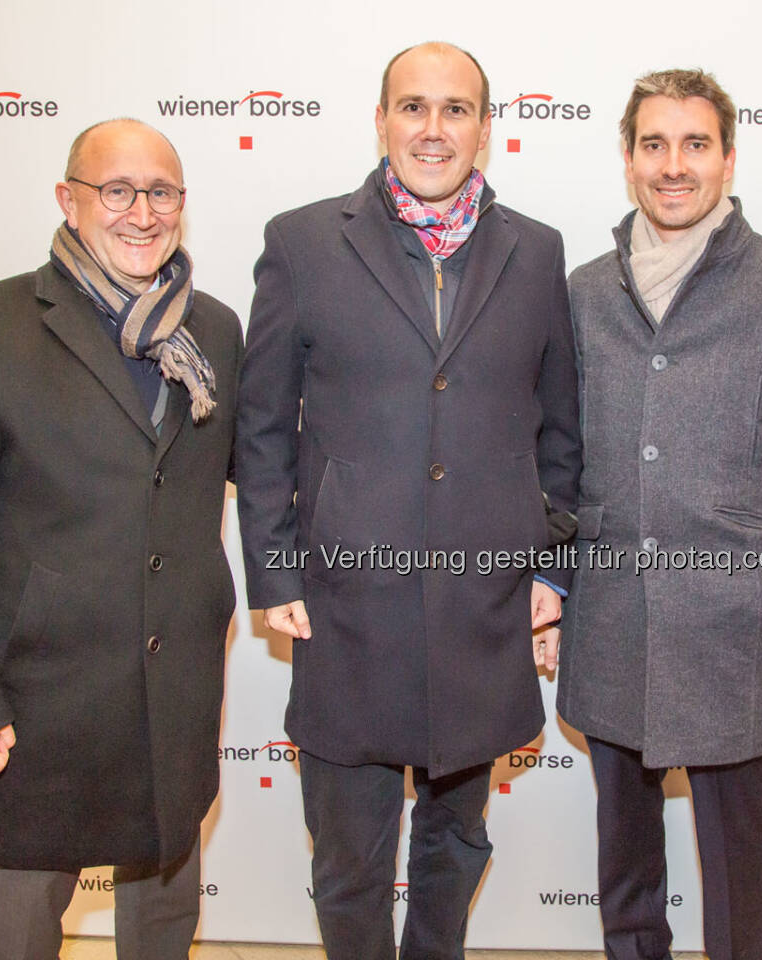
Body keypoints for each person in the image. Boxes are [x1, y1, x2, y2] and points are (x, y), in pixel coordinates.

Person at [233, 41, 580, 960]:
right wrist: (273, 572)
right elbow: (261, 426)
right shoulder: (303, 240)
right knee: (348, 853)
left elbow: (561, 433)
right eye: (414, 107)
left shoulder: (537, 252)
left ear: (486, 129)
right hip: (346, 605)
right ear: (382, 120)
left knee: (458, 840)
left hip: (482, 603)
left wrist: (552, 563)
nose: (435, 129)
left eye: (456, 109)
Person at [0, 118, 242, 959]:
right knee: (15, 933)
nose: (142, 213)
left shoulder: (217, 332)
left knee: (164, 928)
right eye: (116, 190)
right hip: (32, 706)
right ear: (69, 199)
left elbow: (259, 477)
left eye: (161, 192)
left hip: (172, 698)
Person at [556, 68, 762, 960]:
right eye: (655, 144)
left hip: (743, 635)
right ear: (628, 158)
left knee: (739, 877)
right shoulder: (581, 290)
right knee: (626, 872)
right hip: (611, 623)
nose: (674, 165)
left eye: (696, 144)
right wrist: (551, 589)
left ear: (729, 157)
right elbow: (560, 462)